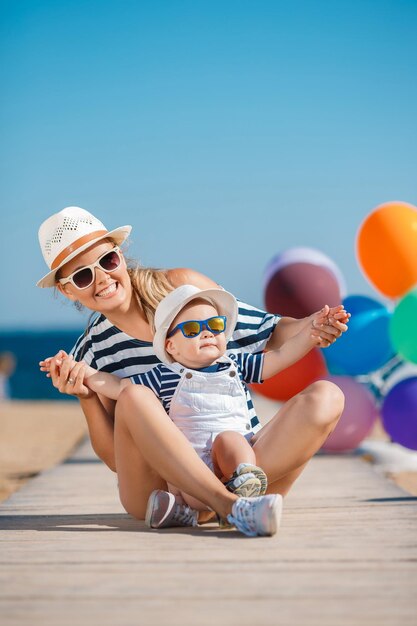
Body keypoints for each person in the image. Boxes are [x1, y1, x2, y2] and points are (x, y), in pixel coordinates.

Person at [37, 206, 348, 535]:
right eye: (82, 276)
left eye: (107, 260)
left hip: (238, 464)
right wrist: (86, 395)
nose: (101, 278)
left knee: (327, 397)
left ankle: (237, 498)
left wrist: (312, 327)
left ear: (121, 256)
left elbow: (268, 333)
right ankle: (228, 506)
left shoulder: (184, 291)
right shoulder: (92, 351)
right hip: (164, 493)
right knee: (135, 395)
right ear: (67, 290)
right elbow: (117, 460)